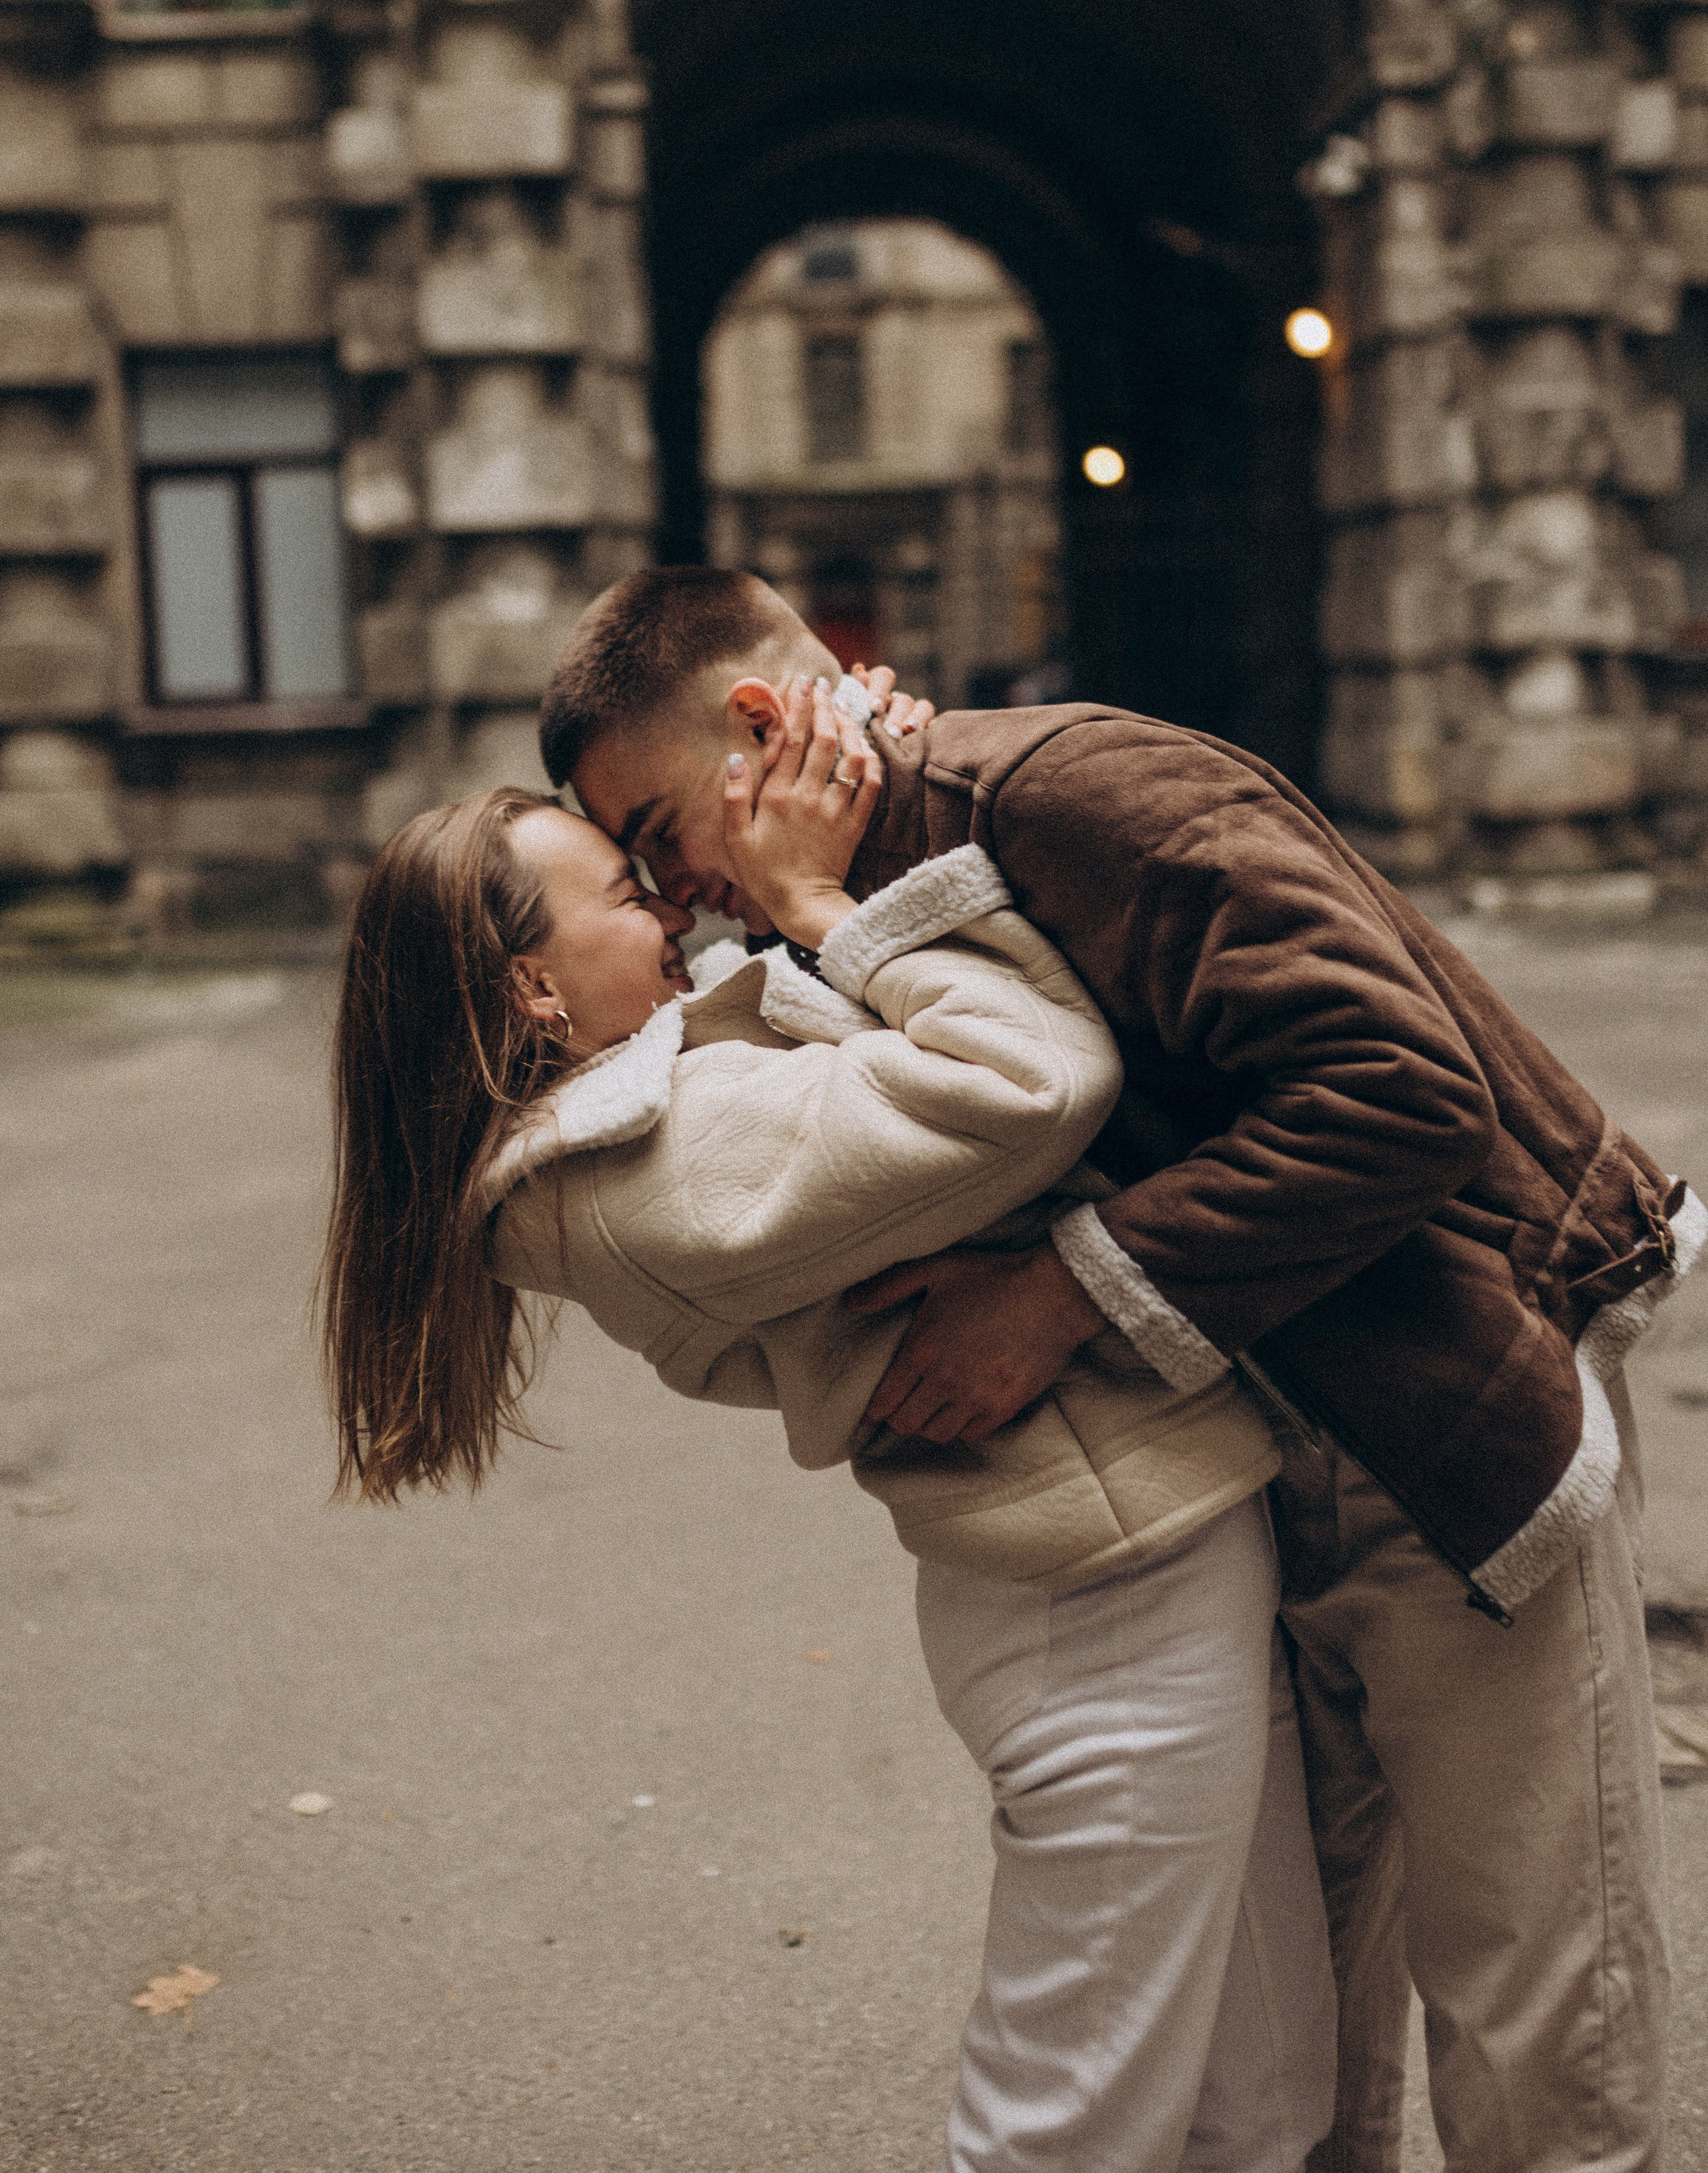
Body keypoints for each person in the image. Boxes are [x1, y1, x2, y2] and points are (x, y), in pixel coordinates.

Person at [542, 564, 1707, 2173]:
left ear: (759, 725)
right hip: (1250, 1468)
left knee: (1536, 2020)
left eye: (662, 836)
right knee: (1316, 2053)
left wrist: (1063, 1296)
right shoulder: (866, 901)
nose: (673, 898)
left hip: (1455, 1434)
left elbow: (1399, 1091)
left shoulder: (1075, 789)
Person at [320, 679, 1337, 2173]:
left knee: (1256, 2100)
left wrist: (858, 763)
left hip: (1124, 1558)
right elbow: (1030, 1075)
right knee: (1064, 2129)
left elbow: (793, 1014)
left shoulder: (639, 1116)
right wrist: (810, 889)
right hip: (1103, 1599)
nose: (670, 907)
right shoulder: (658, 1167)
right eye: (621, 888)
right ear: (533, 991)